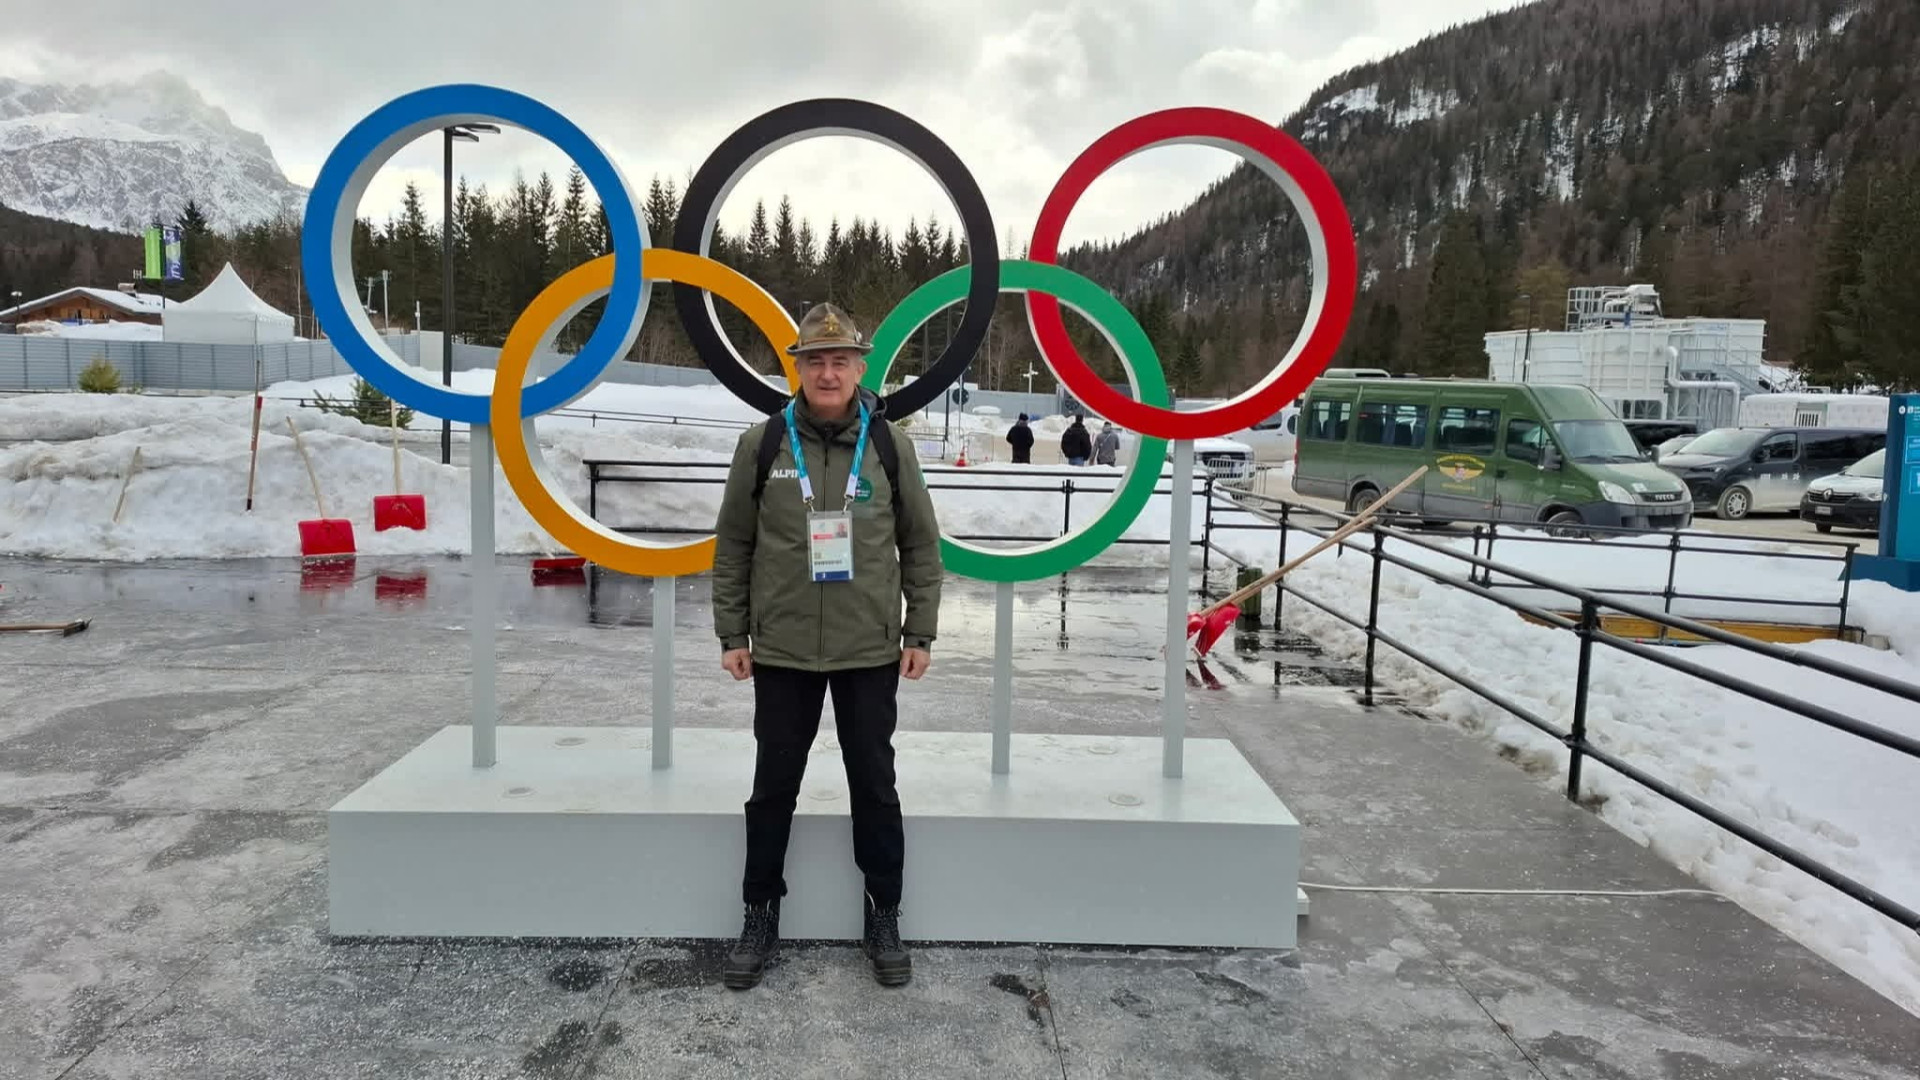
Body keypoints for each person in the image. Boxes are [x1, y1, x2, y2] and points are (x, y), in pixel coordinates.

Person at [711, 302, 944, 991]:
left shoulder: (890, 447)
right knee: (772, 789)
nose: (828, 372)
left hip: (868, 649)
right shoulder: (762, 445)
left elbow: (920, 546)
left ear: (860, 368)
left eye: (841, 360)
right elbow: (734, 546)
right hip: (782, 650)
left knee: (874, 785)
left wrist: (919, 631)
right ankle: (759, 915)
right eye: (816, 361)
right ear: (800, 369)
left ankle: (884, 915)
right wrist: (732, 633)